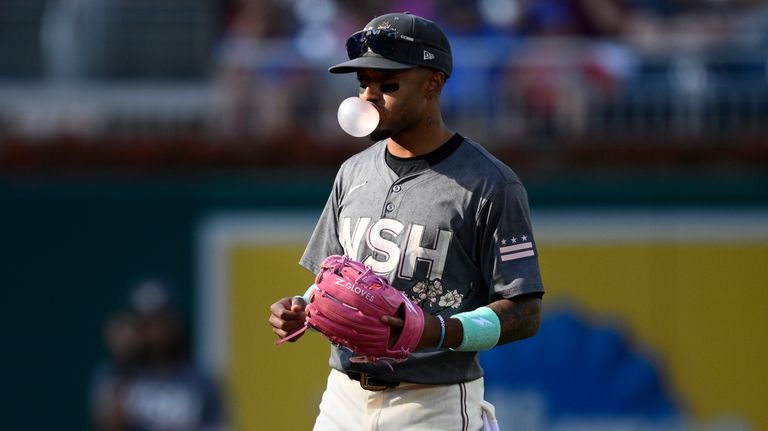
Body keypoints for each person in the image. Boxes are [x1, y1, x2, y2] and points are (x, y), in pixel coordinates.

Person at [268, 12, 544, 430]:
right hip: (343, 397)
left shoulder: (490, 183)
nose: (370, 95)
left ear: (433, 82)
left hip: (431, 402)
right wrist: (304, 305)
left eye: (388, 83)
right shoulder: (353, 172)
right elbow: (333, 276)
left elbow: (525, 313)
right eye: (364, 83)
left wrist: (436, 331)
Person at [89, 280, 228, 431]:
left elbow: (219, 425)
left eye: (161, 322)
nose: (155, 334)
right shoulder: (115, 375)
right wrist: (123, 362)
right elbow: (107, 425)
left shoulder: (201, 378)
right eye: (145, 324)